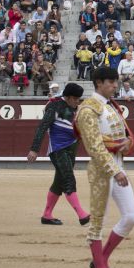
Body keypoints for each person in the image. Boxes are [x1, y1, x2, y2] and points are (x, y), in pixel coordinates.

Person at [75, 66, 134, 268]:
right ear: (99, 83)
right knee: (97, 221)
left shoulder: (110, 107)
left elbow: (121, 136)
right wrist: (115, 170)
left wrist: (126, 145)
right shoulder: (88, 109)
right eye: (111, 82)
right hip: (103, 170)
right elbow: (94, 146)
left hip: (118, 166)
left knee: (130, 216)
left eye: (116, 82)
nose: (115, 85)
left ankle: (101, 259)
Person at [27, 83, 90, 226]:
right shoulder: (55, 106)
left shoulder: (77, 109)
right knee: (68, 179)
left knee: (59, 183)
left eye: (79, 99)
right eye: (75, 99)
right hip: (57, 149)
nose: (77, 102)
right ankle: (81, 214)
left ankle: (47, 215)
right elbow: (42, 127)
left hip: (71, 148)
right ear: (67, 97)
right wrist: (34, 149)